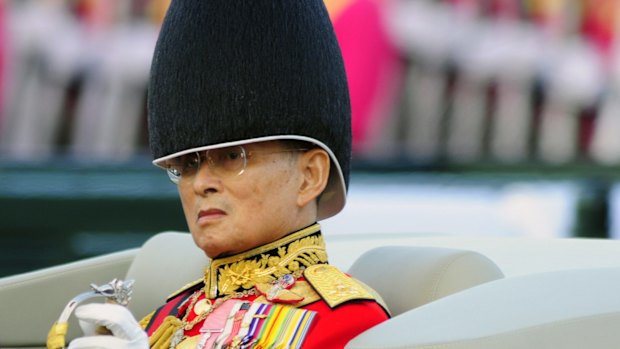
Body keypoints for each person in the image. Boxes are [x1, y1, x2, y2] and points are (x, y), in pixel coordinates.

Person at [66, 0, 390, 348]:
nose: (201, 183)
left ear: (310, 176)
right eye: (188, 165)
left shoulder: (348, 321)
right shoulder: (170, 314)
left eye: (232, 157)